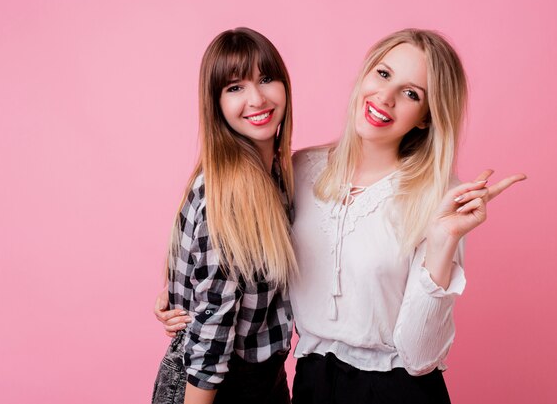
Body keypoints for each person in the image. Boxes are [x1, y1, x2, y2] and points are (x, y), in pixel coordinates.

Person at [156, 28, 526, 404]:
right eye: (383, 74)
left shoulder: (441, 197)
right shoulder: (300, 170)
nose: (385, 97)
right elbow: (236, 262)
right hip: (311, 382)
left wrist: (444, 240)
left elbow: (420, 356)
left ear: (426, 118)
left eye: (411, 93)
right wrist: (181, 294)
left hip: (397, 391)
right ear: (365, 74)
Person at [151, 27, 297, 404]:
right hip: (214, 385)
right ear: (216, 103)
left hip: (262, 377)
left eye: (266, 78)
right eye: (235, 87)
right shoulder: (231, 195)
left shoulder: (276, 175)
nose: (257, 98)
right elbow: (212, 332)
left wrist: (179, 292)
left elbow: (202, 268)